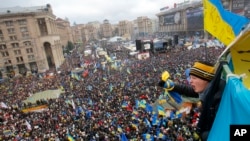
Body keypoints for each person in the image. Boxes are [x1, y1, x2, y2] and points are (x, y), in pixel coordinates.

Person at [158, 61, 226, 141]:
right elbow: (190, 90)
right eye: (190, 78)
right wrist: (173, 86)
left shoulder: (218, 100)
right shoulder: (209, 90)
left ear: (206, 78)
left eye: (194, 78)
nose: (190, 81)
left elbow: (224, 131)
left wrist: (205, 135)